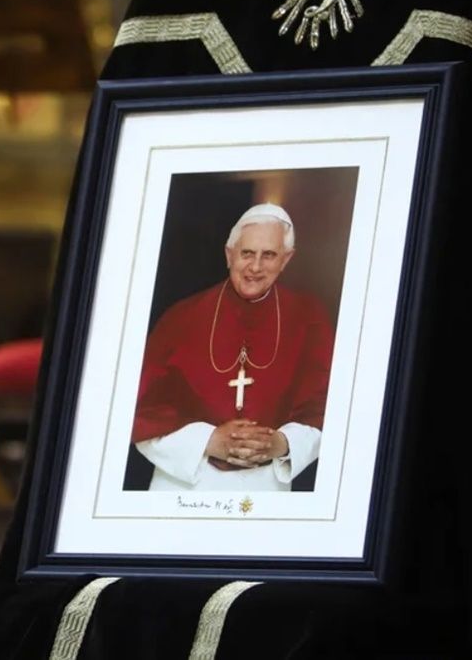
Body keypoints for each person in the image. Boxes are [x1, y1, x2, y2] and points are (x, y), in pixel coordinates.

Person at [131, 203, 332, 492]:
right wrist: (208, 440)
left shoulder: (309, 319)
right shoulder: (181, 317)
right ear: (229, 255)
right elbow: (139, 411)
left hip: (267, 488)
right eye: (247, 253)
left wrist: (281, 443)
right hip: (185, 484)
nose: (255, 267)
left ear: (286, 260)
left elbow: (327, 410)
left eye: (269, 255)